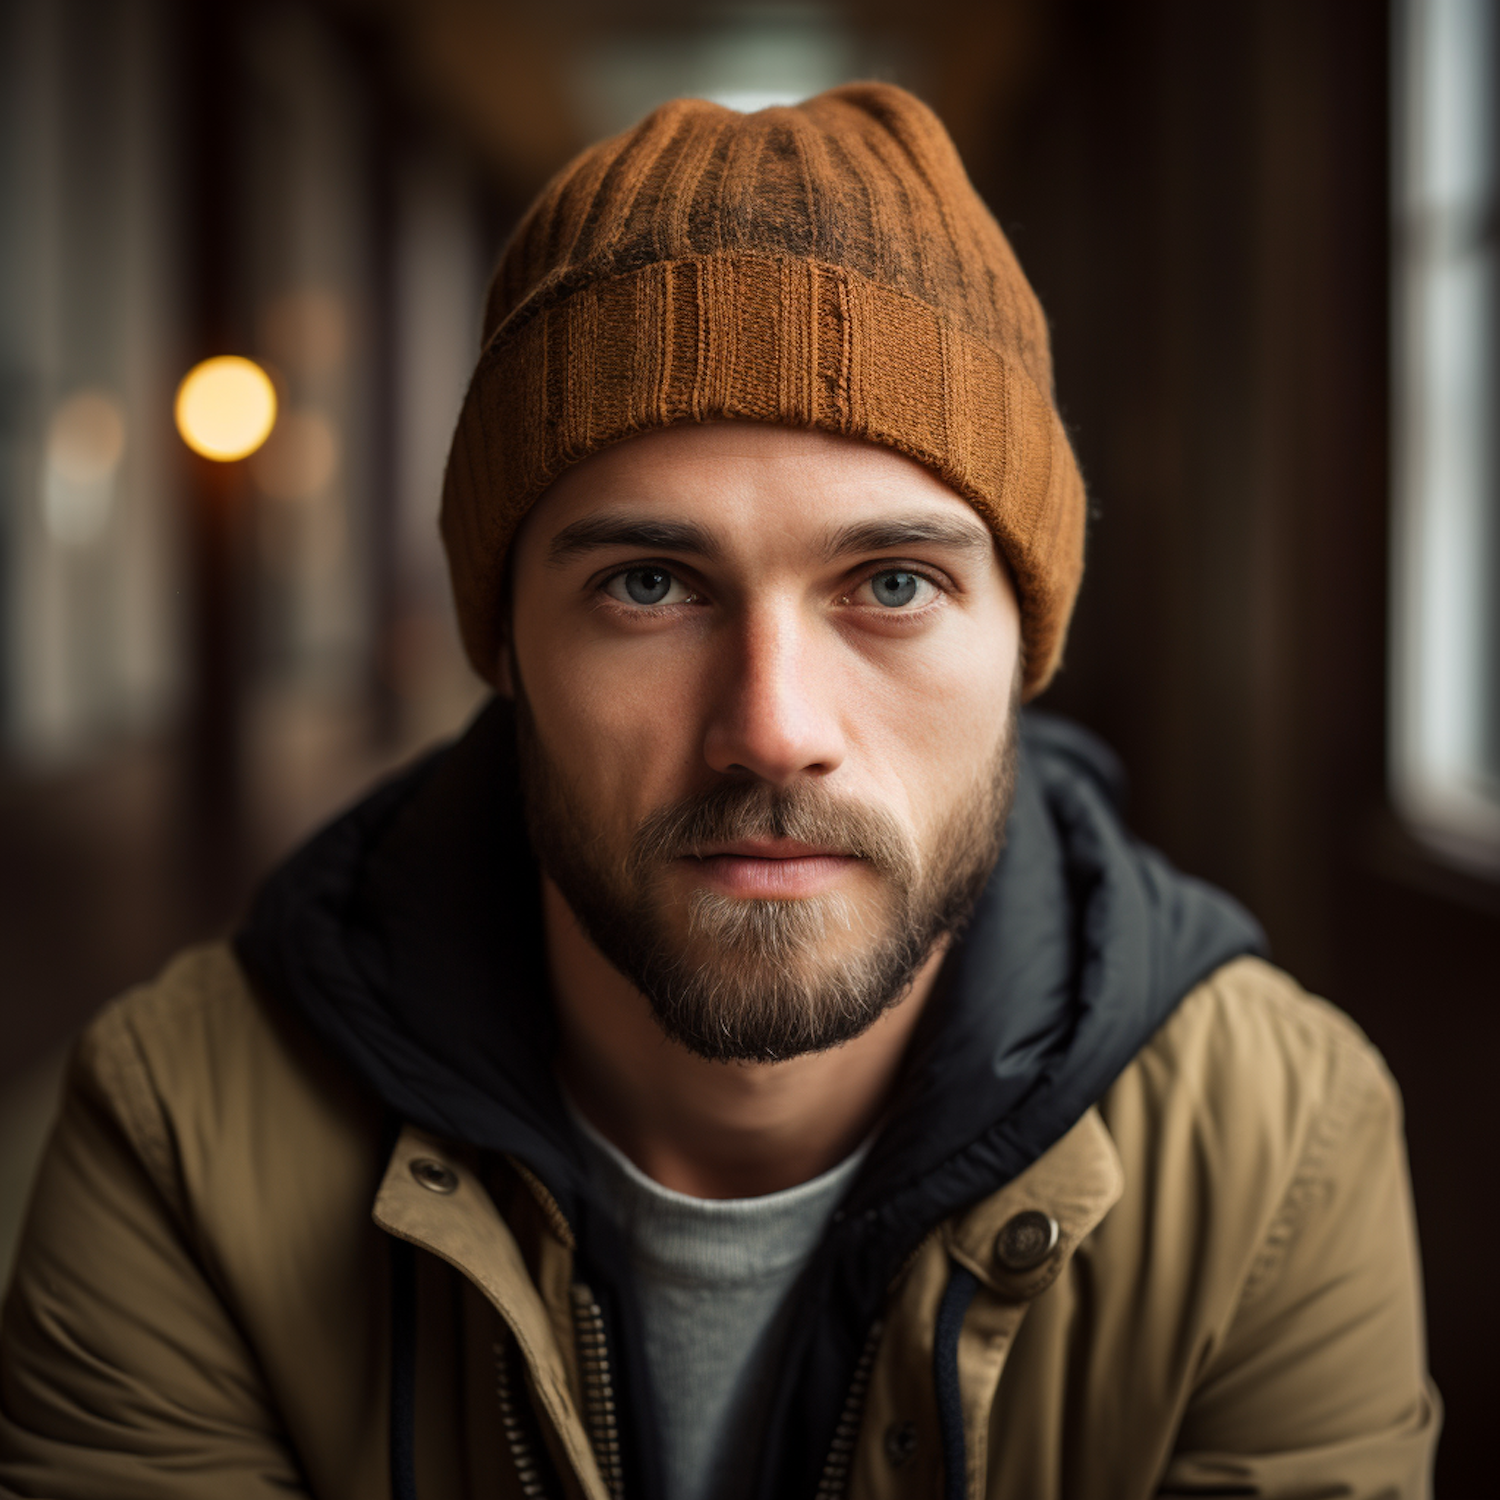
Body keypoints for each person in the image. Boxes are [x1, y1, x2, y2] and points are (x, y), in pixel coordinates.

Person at [0, 83, 1437, 1500]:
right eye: (648, 584)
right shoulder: (177, 1137)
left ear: (1025, 643)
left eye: (892, 584)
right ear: (505, 643)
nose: (771, 727)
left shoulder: (1275, 1149)